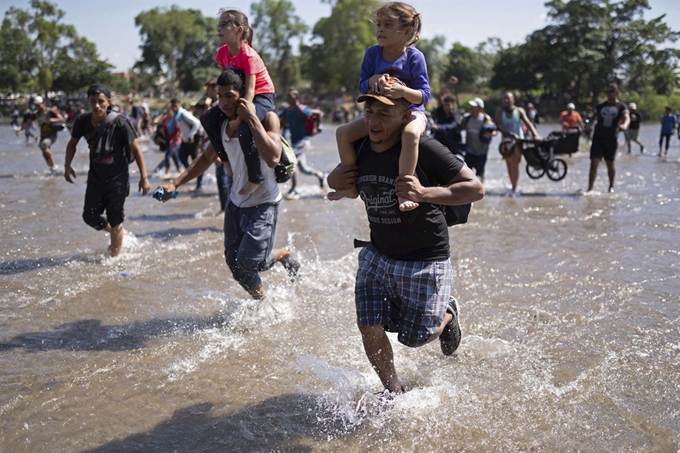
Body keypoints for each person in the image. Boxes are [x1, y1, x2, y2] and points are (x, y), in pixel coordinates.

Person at [327, 91, 484, 396]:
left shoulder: (425, 148)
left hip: (425, 258)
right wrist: (337, 180)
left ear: (405, 117)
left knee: (414, 337)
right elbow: (339, 179)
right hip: (378, 254)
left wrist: (423, 193)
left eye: (383, 115)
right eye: (369, 113)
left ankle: (448, 312)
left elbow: (475, 189)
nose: (373, 121)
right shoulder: (359, 147)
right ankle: (393, 393)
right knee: (369, 324)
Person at [156, 68, 300, 300]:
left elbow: (273, 157)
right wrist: (175, 183)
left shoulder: (267, 118)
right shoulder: (222, 126)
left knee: (251, 260)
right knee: (234, 263)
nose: (223, 102)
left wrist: (251, 118)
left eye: (230, 96)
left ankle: (282, 254)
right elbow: (205, 159)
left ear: (243, 94)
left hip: (264, 202)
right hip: (236, 203)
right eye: (219, 96)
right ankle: (262, 302)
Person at [330, 2, 430, 212]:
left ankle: (404, 190)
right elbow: (361, 86)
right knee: (342, 133)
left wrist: (403, 93)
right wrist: (373, 79)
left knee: (411, 135)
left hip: (411, 112)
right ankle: (349, 185)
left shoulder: (414, 57)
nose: (380, 30)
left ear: (407, 31)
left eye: (388, 25)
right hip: (378, 113)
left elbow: (424, 96)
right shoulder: (372, 54)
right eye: (379, 25)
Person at [64, 83, 151, 257]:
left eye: (101, 101)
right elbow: (72, 144)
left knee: (116, 218)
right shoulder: (82, 121)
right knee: (89, 216)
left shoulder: (119, 123)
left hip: (117, 180)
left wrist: (144, 177)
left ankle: (114, 259)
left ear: (108, 102)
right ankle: (116, 231)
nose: (97, 105)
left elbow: (136, 149)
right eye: (93, 101)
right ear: (88, 101)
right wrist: (67, 166)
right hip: (95, 178)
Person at [201, 9, 276, 197]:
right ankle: (225, 160)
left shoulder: (249, 56)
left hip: (261, 95)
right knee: (206, 119)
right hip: (240, 95)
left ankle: (256, 178)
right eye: (219, 24)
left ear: (239, 30)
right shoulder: (222, 54)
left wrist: (238, 121)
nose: (219, 28)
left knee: (244, 131)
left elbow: (250, 93)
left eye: (225, 24)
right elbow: (227, 82)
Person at [279, 87, 326, 199]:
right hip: (294, 142)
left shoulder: (302, 109)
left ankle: (294, 189)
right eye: (288, 97)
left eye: (291, 96)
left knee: (291, 161)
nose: (289, 98)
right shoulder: (287, 111)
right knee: (303, 168)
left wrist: (318, 127)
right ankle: (320, 175)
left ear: (297, 98)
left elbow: (318, 113)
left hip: (303, 141)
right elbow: (281, 122)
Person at [494, 92, 541, 195]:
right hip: (505, 142)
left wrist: (535, 134)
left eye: (509, 99)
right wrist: (507, 133)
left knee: (515, 163)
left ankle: (514, 188)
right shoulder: (499, 111)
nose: (506, 101)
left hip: (518, 141)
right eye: (504, 99)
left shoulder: (519, 111)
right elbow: (497, 125)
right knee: (509, 164)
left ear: (513, 100)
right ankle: (513, 185)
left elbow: (528, 123)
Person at [587, 83, 629, 193]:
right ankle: (590, 188)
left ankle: (611, 187)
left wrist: (625, 125)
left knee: (610, 163)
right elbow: (593, 118)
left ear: (617, 93)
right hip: (598, 138)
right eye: (608, 92)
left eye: (612, 91)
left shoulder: (621, 107)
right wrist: (587, 127)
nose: (610, 94)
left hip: (611, 138)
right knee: (594, 162)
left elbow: (626, 117)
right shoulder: (601, 106)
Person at [18, 96, 67, 172]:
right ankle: (51, 167)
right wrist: (20, 130)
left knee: (43, 145)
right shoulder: (35, 114)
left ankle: (54, 165)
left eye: (39, 105)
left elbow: (62, 119)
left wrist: (52, 120)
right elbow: (28, 122)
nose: (37, 107)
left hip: (52, 134)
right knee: (44, 152)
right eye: (36, 105)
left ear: (43, 104)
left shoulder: (51, 111)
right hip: (43, 135)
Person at [461, 97, 496, 182]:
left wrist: (489, 134)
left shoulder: (485, 119)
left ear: (480, 108)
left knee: (480, 172)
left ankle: (481, 187)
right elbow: (460, 128)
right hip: (469, 149)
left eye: (474, 107)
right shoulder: (466, 118)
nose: (471, 108)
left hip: (482, 150)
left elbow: (494, 132)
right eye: (471, 106)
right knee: (467, 172)